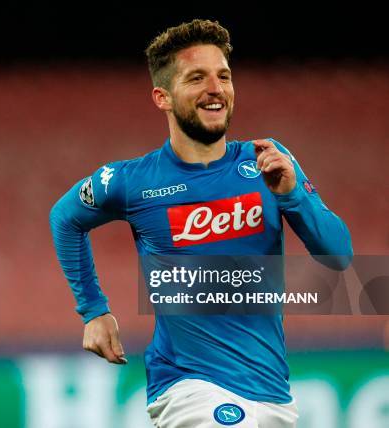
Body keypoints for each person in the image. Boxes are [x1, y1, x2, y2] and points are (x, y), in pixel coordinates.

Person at [49, 19, 352, 427]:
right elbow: (65, 218)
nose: (216, 89)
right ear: (163, 97)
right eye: (197, 78)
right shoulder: (132, 181)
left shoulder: (266, 160)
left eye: (223, 76)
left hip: (273, 393)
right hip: (190, 388)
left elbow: (339, 256)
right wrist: (94, 311)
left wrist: (291, 195)